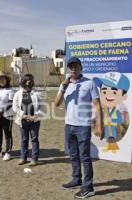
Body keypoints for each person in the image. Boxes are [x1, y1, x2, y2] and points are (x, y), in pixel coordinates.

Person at [54, 57, 103, 199]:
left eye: (76, 66)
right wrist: (63, 88)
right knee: (73, 155)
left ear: (81, 67)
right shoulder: (65, 84)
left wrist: (100, 125)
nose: (73, 68)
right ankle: (77, 179)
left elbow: (97, 105)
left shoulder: (90, 83)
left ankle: (88, 188)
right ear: (68, 68)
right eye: (71, 66)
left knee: (85, 157)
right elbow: (56, 104)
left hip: (83, 126)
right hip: (69, 125)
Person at [12, 74, 45, 166]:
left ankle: (35, 159)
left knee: (34, 139)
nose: (28, 82)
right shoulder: (18, 94)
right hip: (22, 120)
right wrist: (23, 115)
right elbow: (15, 107)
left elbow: (42, 107)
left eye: (30, 80)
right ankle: (23, 158)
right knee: (24, 139)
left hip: (34, 120)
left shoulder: (37, 93)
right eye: (26, 80)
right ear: (23, 81)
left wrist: (35, 116)